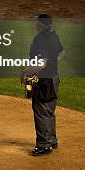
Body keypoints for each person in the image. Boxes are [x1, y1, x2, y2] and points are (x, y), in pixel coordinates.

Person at [22, 13, 64, 156]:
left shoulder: (41, 39)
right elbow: (61, 53)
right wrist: (52, 63)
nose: (35, 25)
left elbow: (41, 62)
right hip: (53, 77)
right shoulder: (53, 34)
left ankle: (44, 145)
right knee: (49, 110)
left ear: (40, 24)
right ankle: (51, 139)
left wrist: (26, 72)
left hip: (44, 79)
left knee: (40, 110)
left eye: (37, 22)